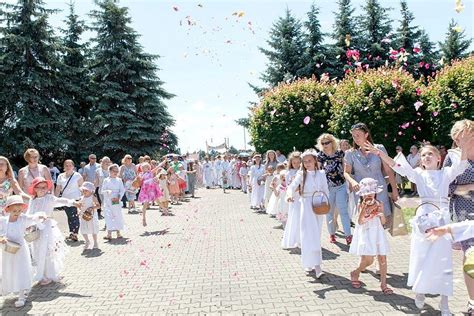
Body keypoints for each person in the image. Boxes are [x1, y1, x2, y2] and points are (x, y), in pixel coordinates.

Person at [366, 131, 473, 316]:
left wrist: (464, 145)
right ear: (421, 161)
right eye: (423, 155)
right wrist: (379, 153)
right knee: (422, 257)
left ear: (439, 159)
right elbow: (397, 165)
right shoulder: (418, 174)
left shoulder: (446, 174)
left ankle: (444, 304)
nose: (426, 156)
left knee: (443, 261)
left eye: (430, 153)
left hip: (441, 219)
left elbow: (462, 165)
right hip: (423, 219)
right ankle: (420, 290)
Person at [443, 119, 474, 315]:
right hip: (465, 213)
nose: (465, 139)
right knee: (471, 256)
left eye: (468, 134)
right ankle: (473, 301)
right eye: (461, 136)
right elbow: (445, 188)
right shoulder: (452, 158)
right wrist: (470, 188)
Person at [286, 149, 329, 277]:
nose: (307, 163)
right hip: (305, 205)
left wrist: (326, 204)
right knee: (308, 235)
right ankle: (316, 266)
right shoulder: (301, 175)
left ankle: (311, 263)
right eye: (304, 162)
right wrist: (289, 195)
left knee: (316, 234)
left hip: (318, 205)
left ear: (315, 161)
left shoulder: (321, 174)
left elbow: (326, 190)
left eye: (310, 161)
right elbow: (292, 186)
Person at [344, 123, 399, 221]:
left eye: (358, 135)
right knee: (364, 221)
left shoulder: (379, 149)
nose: (355, 138)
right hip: (361, 192)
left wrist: (394, 190)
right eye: (353, 136)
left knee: (381, 221)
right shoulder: (350, 153)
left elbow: (388, 170)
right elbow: (346, 173)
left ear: (366, 135)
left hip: (379, 191)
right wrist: (352, 182)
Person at [28, 177, 77, 285]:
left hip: (47, 228)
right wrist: (29, 224)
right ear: (35, 188)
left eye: (44, 187)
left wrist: (74, 203)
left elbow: (61, 201)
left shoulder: (49, 198)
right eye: (39, 187)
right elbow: (29, 214)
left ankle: (51, 273)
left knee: (48, 251)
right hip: (36, 229)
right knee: (37, 251)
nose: (42, 189)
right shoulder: (33, 200)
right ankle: (42, 274)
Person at [349, 178, 392, 295]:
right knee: (368, 260)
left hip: (378, 232)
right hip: (367, 233)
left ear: (375, 193)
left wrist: (381, 214)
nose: (369, 195)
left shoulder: (379, 204)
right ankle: (355, 272)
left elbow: (383, 222)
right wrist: (364, 210)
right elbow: (360, 222)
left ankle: (383, 284)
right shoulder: (360, 205)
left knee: (382, 258)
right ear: (362, 194)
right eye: (366, 193)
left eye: (371, 192)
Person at [0, 196, 44, 307]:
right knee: (10, 269)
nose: (17, 213)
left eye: (19, 210)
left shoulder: (23, 218)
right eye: (14, 211)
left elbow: (33, 217)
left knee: (21, 270)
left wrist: (40, 216)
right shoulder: (3, 221)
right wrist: (2, 238)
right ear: (8, 209)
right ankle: (12, 288)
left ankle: (21, 295)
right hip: (8, 250)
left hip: (20, 250)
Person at [316, 133, 352, 245]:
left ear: (332, 142)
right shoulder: (320, 156)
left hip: (341, 185)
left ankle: (348, 235)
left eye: (327, 142)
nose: (325, 145)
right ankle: (332, 234)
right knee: (329, 213)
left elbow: (345, 170)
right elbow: (317, 172)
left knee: (343, 211)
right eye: (323, 143)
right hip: (328, 188)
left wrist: (349, 183)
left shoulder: (340, 153)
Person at [56, 160, 83, 242]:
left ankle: (75, 233)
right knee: (69, 216)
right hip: (65, 200)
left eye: (70, 165)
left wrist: (83, 198)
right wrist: (55, 199)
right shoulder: (60, 176)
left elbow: (82, 187)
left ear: (73, 166)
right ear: (64, 167)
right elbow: (58, 188)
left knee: (74, 216)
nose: (68, 167)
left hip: (75, 199)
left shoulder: (77, 175)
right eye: (66, 165)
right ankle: (72, 232)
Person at [282, 151, 302, 249]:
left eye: (298, 162)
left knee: (302, 218)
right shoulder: (289, 173)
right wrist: (295, 189)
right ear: (291, 163)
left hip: (302, 197)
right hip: (294, 197)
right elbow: (288, 185)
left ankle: (301, 239)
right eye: (294, 163)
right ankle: (293, 239)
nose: (296, 165)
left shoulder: (303, 172)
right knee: (294, 217)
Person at [101, 164, 125, 240]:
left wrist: (119, 197)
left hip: (116, 200)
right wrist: (107, 191)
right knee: (108, 216)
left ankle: (118, 233)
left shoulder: (119, 180)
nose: (115, 172)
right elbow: (102, 190)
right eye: (114, 171)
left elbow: (122, 190)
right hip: (108, 200)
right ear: (110, 171)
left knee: (117, 215)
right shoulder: (106, 180)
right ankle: (109, 234)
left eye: (117, 171)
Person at [137, 162, 162, 227]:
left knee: (157, 200)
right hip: (145, 191)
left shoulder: (150, 172)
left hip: (151, 190)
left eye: (144, 167)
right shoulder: (141, 174)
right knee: (145, 205)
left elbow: (158, 167)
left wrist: (164, 161)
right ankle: (144, 218)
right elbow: (138, 181)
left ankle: (164, 209)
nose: (142, 168)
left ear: (148, 168)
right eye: (142, 168)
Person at [78, 182, 100, 250]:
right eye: (83, 190)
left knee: (93, 229)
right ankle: (87, 241)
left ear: (91, 191)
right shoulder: (81, 197)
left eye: (86, 190)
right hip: (83, 215)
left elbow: (98, 206)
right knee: (83, 229)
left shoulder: (93, 197)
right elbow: (79, 205)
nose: (84, 192)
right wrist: (78, 211)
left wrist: (92, 208)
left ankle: (95, 242)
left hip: (92, 215)